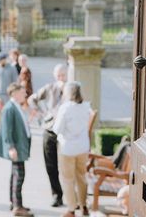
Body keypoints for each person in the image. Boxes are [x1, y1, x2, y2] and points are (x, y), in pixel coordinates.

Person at [28, 63, 67, 207]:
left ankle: (71, 195)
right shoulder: (49, 88)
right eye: (58, 75)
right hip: (50, 129)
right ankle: (57, 195)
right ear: (54, 76)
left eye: (63, 75)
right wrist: (41, 113)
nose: (61, 78)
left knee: (66, 165)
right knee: (51, 165)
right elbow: (32, 99)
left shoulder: (72, 89)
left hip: (65, 132)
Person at [52, 81, 93, 217]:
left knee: (68, 179)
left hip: (68, 148)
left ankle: (71, 209)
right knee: (81, 176)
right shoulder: (86, 107)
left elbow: (57, 129)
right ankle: (84, 205)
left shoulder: (65, 108)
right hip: (82, 147)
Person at [0, 83, 32, 216]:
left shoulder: (16, 106)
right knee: (19, 176)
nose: (25, 94)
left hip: (20, 146)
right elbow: (7, 130)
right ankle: (17, 206)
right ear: (14, 93)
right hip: (16, 147)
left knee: (16, 175)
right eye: (23, 92)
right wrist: (10, 147)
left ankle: (16, 203)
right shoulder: (9, 108)